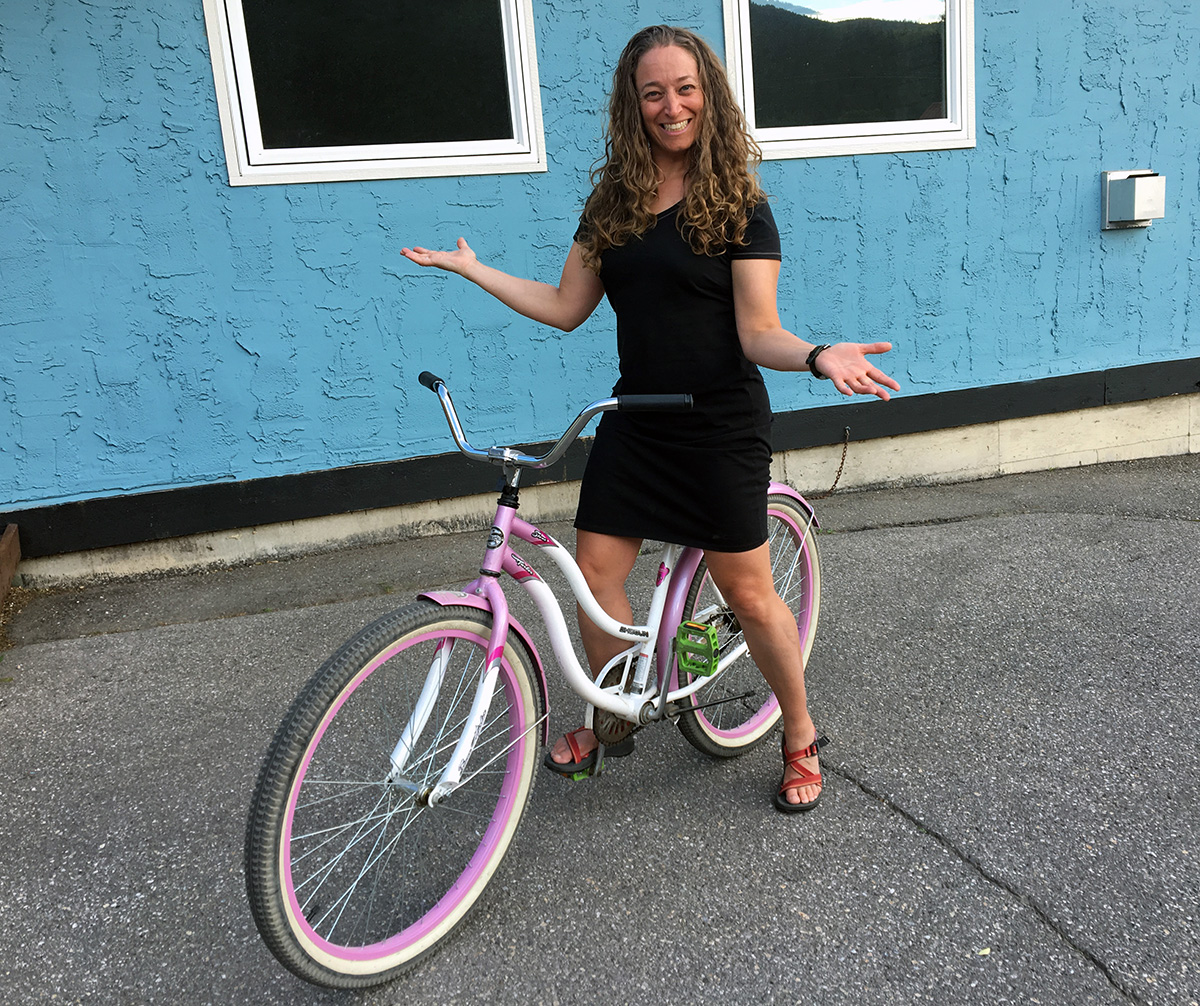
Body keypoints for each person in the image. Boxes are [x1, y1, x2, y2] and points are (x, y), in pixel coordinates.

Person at [401, 24, 899, 813]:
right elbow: (565, 306)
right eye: (654, 93)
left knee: (748, 592)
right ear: (633, 105)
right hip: (636, 418)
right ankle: (615, 714)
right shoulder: (613, 202)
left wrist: (817, 354)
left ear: (709, 96)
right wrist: (475, 270)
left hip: (719, 424)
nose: (672, 106)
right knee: (596, 575)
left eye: (685, 89)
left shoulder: (739, 206)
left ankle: (800, 732)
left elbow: (756, 332)